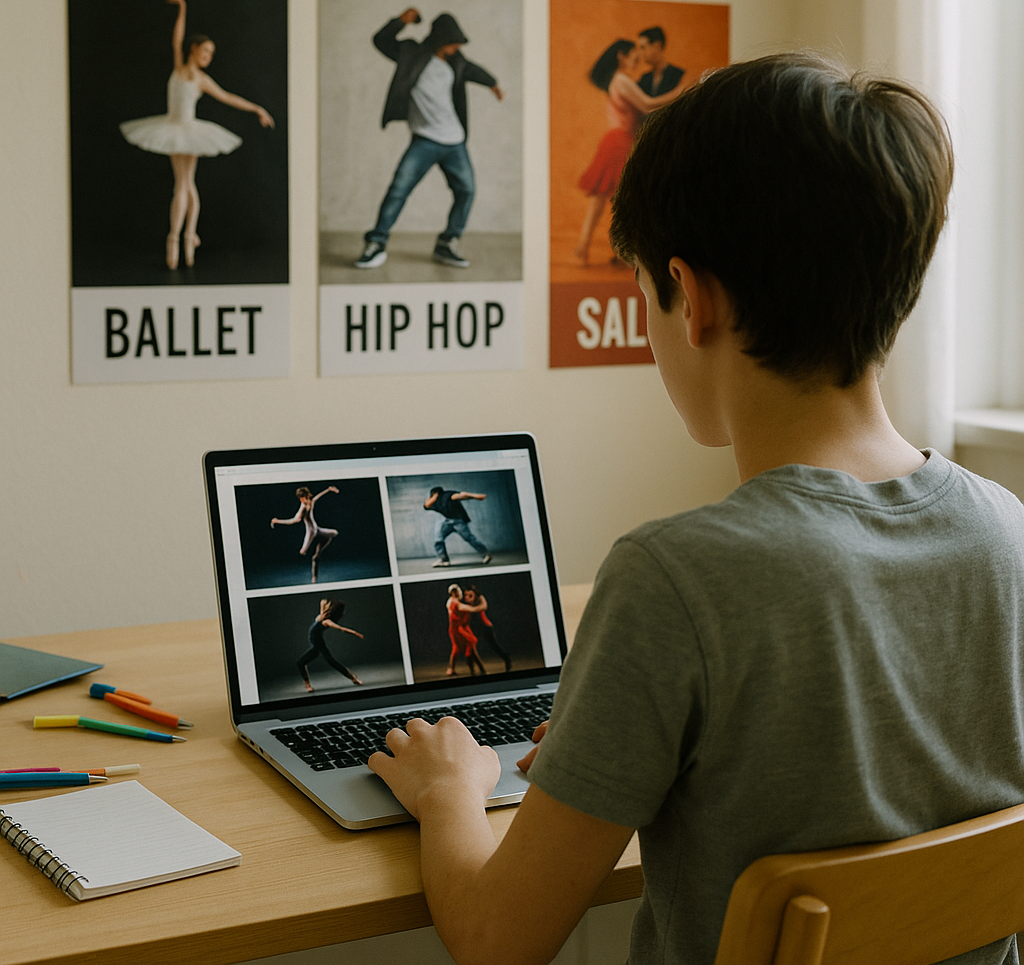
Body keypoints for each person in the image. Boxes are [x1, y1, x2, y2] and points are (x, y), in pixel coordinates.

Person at [368, 52, 1024, 965]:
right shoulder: (1006, 535)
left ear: (696, 300)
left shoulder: (674, 581)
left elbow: (494, 939)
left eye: (645, 294)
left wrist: (449, 790)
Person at [119, 0, 275, 270]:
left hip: (188, 130)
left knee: (184, 184)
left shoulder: (202, 80)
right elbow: (177, 38)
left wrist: (256, 109)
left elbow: (228, 97)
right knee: (186, 184)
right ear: (194, 49)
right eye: (204, 51)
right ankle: (187, 238)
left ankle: (178, 239)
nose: (208, 56)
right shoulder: (179, 67)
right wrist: (182, 8)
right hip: (172, 127)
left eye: (211, 54)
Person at [354, 8, 505, 271]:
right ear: (440, 38)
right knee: (399, 189)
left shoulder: (456, 61)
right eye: (453, 42)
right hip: (424, 140)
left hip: (454, 141)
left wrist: (492, 84)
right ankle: (376, 242)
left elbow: (474, 70)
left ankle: (448, 242)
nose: (456, 47)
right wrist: (401, 20)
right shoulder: (411, 53)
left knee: (466, 190)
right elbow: (381, 41)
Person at [574, 39, 684, 265]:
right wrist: (681, 92)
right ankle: (615, 250)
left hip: (613, 140)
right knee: (622, 200)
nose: (638, 58)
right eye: (634, 53)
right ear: (621, 56)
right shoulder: (622, 80)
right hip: (620, 141)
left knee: (602, 200)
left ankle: (585, 247)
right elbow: (646, 104)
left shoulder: (616, 80)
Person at [270, 485, 339, 583]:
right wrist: (278, 521)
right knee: (302, 551)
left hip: (317, 529)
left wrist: (328, 490)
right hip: (310, 532)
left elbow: (317, 497)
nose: (301, 501)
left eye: (302, 498)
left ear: (305, 497)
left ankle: (317, 553)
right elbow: (293, 520)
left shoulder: (311, 502)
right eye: (300, 499)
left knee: (334, 533)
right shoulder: (302, 508)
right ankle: (314, 577)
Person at [296, 599, 364, 692]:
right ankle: (307, 685)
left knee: (332, 662)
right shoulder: (321, 617)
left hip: (320, 646)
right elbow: (322, 602)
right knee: (300, 663)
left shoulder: (327, 621)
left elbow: (341, 628)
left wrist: (355, 633)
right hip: (315, 647)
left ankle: (353, 678)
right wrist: (325, 605)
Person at [423, 486, 491, 567]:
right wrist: (434, 497)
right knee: (438, 539)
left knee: (469, 538)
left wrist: (475, 496)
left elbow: (461, 495)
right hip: (447, 521)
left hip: (458, 521)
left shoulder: (447, 495)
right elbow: (426, 505)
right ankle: (444, 560)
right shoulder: (434, 502)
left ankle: (486, 554)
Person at [461, 583, 511, 671]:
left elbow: (483, 607)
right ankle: (472, 667)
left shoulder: (479, 600)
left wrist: (470, 608)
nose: (467, 598)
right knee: (470, 646)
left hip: (486, 627)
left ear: (476, 596)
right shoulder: (466, 605)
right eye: (465, 595)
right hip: (473, 628)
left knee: (494, 646)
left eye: (470, 595)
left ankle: (506, 658)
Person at [445, 584, 487, 677]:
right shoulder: (456, 603)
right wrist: (483, 603)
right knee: (470, 645)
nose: (460, 593)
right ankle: (479, 669)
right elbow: (473, 609)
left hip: (459, 628)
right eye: (458, 591)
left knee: (460, 648)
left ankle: (453, 669)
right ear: (454, 593)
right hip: (458, 629)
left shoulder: (451, 601)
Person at [636, 26, 685, 97]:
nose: (641, 52)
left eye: (643, 47)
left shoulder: (678, 75)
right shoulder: (645, 79)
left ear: (657, 46)